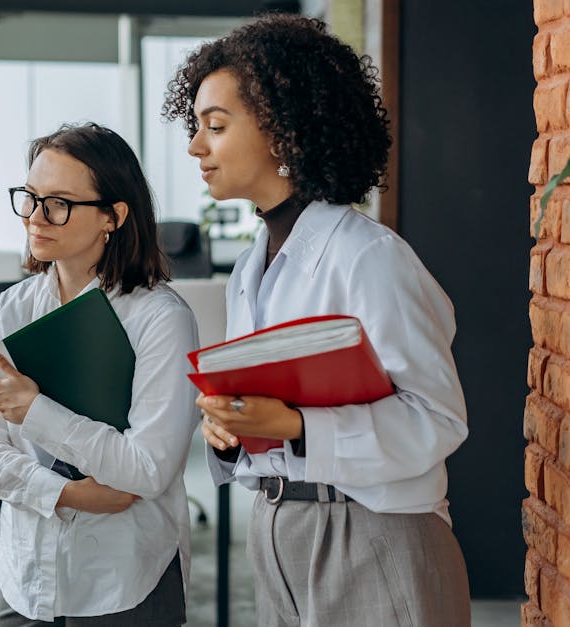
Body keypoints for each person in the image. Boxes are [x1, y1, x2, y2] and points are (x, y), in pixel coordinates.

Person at [165, 14, 470, 626]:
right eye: (195, 127)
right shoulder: (250, 268)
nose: (195, 146)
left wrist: (297, 426)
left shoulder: (370, 257)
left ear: (283, 132)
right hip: (278, 527)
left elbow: (438, 420)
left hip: (373, 534)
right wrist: (232, 428)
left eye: (215, 126)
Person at [0, 122, 200, 626]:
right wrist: (65, 495)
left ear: (113, 216)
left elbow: (147, 470)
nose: (36, 217)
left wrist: (35, 412)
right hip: (27, 573)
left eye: (59, 204)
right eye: (30, 198)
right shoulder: (15, 307)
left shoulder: (160, 318)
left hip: (122, 576)